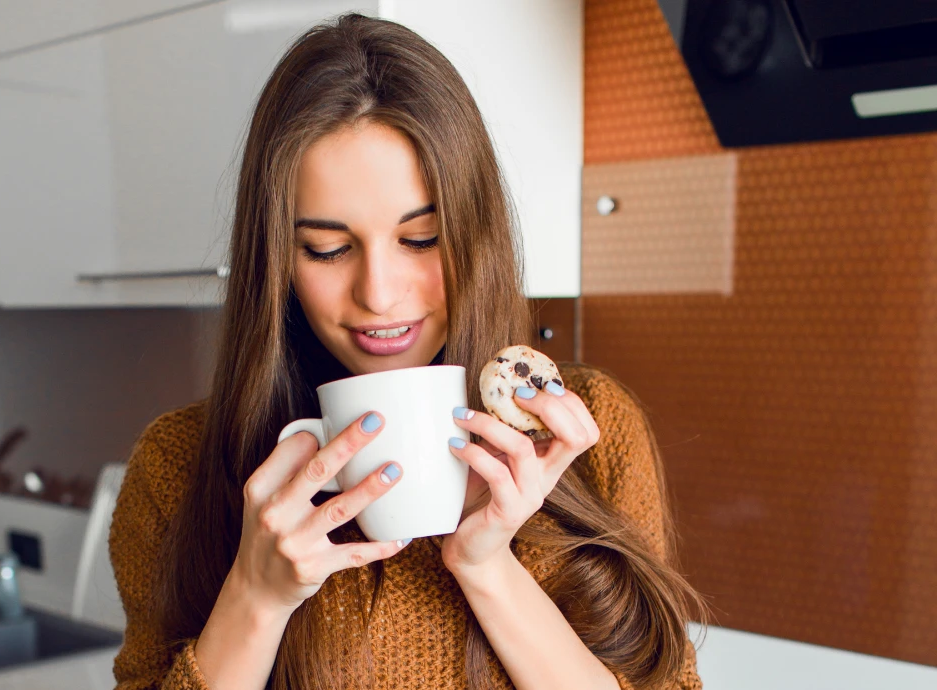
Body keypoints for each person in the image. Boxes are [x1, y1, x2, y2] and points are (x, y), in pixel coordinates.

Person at [109, 12, 707, 690]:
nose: (381, 294)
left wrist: (487, 567)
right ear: (275, 258)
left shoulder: (589, 435)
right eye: (328, 249)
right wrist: (257, 595)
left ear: (476, 234)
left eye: (421, 239)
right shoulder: (177, 467)